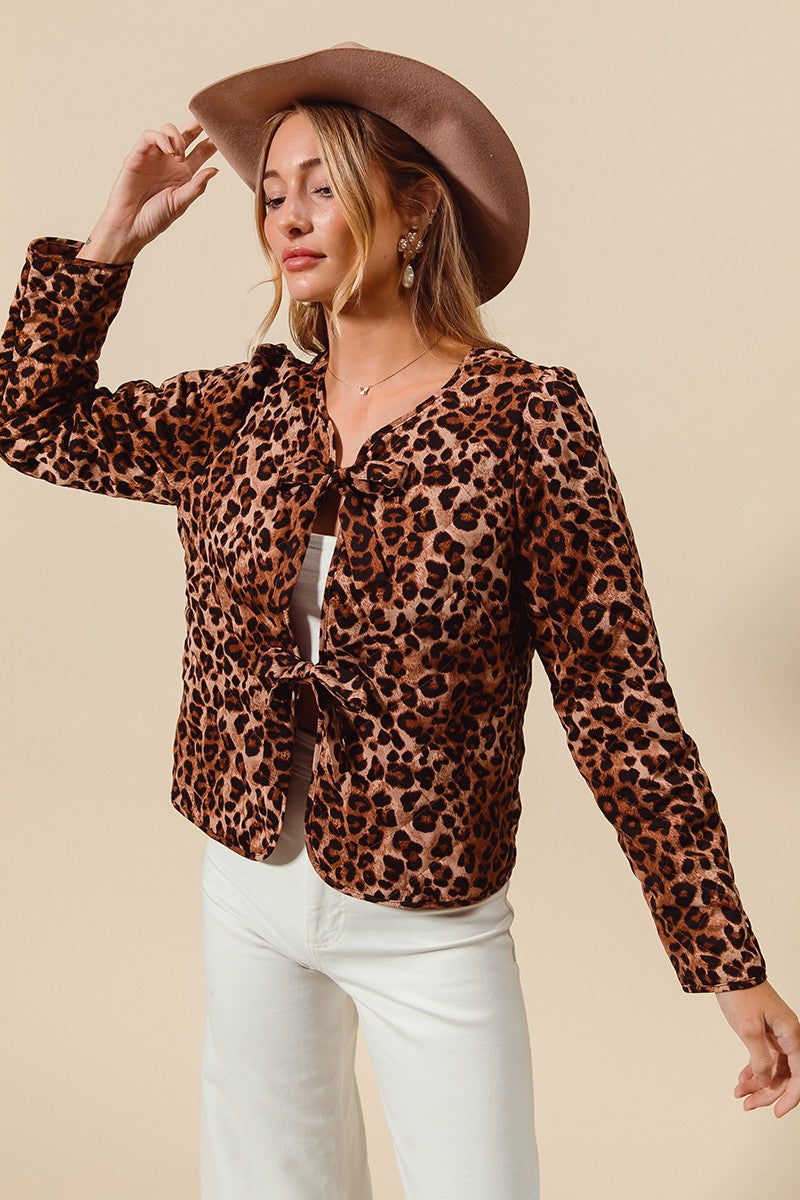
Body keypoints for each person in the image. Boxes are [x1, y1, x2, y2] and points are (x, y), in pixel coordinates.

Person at [1, 40, 798, 1200]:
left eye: (323, 186)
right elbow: (31, 424)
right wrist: (112, 237)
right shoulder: (245, 409)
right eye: (271, 194)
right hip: (250, 886)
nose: (288, 216)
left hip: (429, 915)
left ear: (416, 207)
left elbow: (616, 702)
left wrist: (722, 959)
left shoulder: (525, 418)